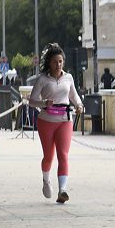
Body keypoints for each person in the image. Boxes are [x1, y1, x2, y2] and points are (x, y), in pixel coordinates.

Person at [29, 44, 84, 204]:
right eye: (55, 62)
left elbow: (74, 95)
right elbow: (32, 101)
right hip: (46, 120)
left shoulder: (68, 77)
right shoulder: (42, 79)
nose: (58, 65)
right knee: (48, 156)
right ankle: (46, 180)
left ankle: (62, 190)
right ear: (49, 63)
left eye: (60, 61)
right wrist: (44, 103)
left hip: (65, 120)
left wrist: (79, 105)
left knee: (63, 155)